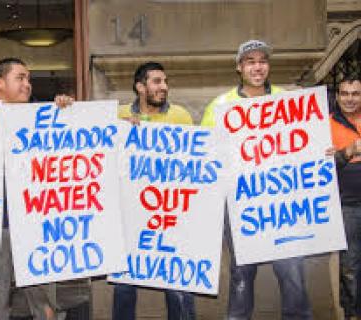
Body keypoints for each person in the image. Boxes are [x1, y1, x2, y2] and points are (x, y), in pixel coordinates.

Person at [201, 40, 313, 320]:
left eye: (262, 60)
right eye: (250, 61)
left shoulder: (288, 100)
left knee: (292, 270)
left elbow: (306, 143)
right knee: (241, 273)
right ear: (239, 68)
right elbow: (206, 151)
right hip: (241, 204)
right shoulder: (221, 105)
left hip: (282, 202)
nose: (257, 66)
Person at [0, 57, 73, 320]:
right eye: (20, 78)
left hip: (35, 225)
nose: (27, 84)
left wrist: (69, 112)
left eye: (29, 79)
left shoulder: (43, 119)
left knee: (46, 307)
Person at [114, 61, 196, 320]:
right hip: (131, 217)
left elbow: (195, 162)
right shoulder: (118, 115)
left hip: (171, 215)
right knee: (124, 288)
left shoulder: (181, 116)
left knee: (179, 288)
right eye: (157, 82)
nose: (164, 87)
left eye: (166, 82)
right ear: (140, 87)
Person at [329, 75, 361, 320]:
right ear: (338, 97)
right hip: (346, 204)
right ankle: (352, 313)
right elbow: (321, 165)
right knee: (350, 264)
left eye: (356, 94)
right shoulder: (326, 124)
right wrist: (348, 152)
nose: (350, 99)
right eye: (345, 94)